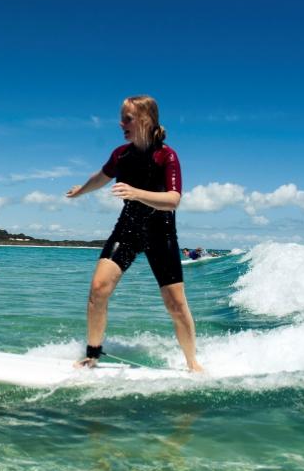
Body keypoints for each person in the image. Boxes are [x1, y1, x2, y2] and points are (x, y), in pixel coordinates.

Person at [66, 95, 204, 372]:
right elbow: (101, 177)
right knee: (98, 289)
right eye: (122, 118)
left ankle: (193, 364)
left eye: (127, 118)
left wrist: (135, 193)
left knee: (175, 304)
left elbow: (173, 199)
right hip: (127, 230)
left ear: (145, 120)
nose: (121, 123)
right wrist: (81, 190)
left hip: (160, 232)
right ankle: (92, 355)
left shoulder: (167, 156)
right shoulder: (121, 155)